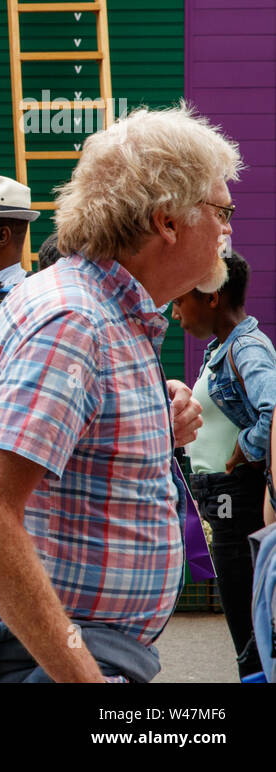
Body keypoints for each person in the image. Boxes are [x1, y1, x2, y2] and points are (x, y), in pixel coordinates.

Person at [0, 105, 239, 683]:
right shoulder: (74, 322)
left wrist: (156, 419)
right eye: (221, 210)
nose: (229, 227)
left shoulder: (95, 311)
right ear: (167, 221)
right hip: (45, 665)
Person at [171, 251, 276, 678]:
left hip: (239, 502)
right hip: (223, 504)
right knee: (245, 621)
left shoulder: (246, 349)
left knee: (251, 629)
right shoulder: (223, 350)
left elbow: (273, 408)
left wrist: (245, 450)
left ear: (211, 297)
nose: (176, 313)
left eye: (181, 300)